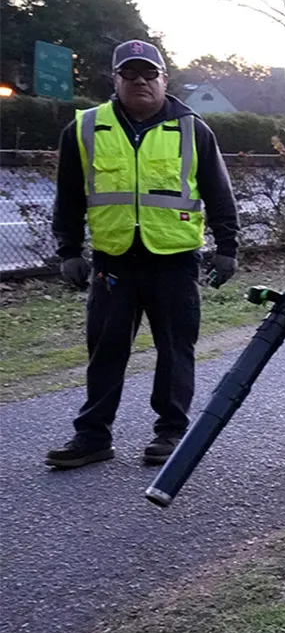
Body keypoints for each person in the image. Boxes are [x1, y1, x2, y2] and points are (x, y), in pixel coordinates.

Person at [47, 39, 239, 469]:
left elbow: (218, 192)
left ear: (164, 79)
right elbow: (68, 197)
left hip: (174, 259)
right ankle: (92, 436)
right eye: (129, 74)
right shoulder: (85, 128)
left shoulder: (193, 128)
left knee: (175, 349)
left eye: (149, 73)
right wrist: (69, 251)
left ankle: (170, 433)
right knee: (105, 349)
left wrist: (227, 247)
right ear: (114, 79)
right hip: (113, 260)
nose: (140, 81)